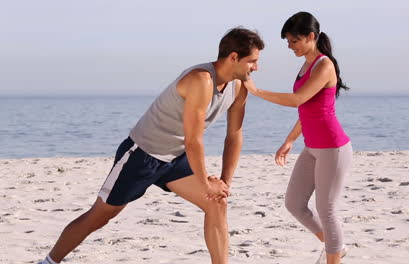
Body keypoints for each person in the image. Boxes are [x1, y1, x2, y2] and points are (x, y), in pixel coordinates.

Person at [39, 27, 264, 264]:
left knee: (217, 203)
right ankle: (49, 261)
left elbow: (234, 135)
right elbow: (193, 139)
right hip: (142, 154)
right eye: (253, 61)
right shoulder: (201, 80)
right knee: (100, 216)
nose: (256, 68)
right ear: (233, 57)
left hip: (175, 158)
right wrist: (205, 183)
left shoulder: (239, 86)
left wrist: (225, 182)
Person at [242, 12, 352, 264]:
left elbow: (297, 100)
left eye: (294, 41)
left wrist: (257, 91)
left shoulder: (324, 65)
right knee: (294, 203)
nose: (290, 47)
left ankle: (334, 257)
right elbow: (308, 111)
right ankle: (336, 247)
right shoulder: (306, 65)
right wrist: (290, 140)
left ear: (311, 37)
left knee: (327, 209)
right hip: (312, 147)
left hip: (332, 148)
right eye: (288, 42)